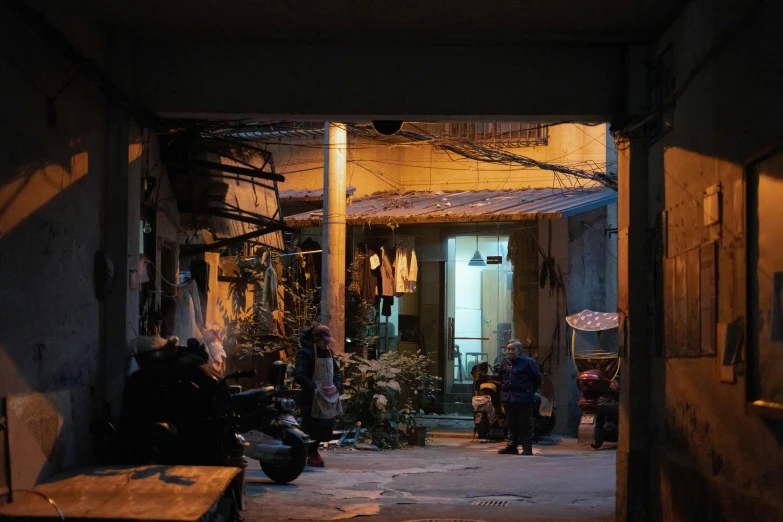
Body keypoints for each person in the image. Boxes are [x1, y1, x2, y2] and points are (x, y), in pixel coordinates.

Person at [294, 324, 343, 467]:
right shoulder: (305, 353)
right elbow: (299, 375)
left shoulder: (328, 352)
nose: (328, 342)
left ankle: (313, 451)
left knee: (326, 427)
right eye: (324, 340)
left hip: (329, 396)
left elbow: (337, 372)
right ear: (316, 338)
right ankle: (309, 453)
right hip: (312, 397)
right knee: (311, 426)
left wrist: (337, 386)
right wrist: (313, 387)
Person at [497, 339, 542, 456]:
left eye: (513, 349)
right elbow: (501, 377)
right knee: (511, 423)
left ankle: (527, 448)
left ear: (519, 350)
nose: (510, 352)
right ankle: (512, 446)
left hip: (524, 398)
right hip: (509, 398)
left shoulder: (528, 362)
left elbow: (537, 379)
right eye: (508, 349)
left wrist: (528, 391)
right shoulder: (505, 362)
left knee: (525, 424)